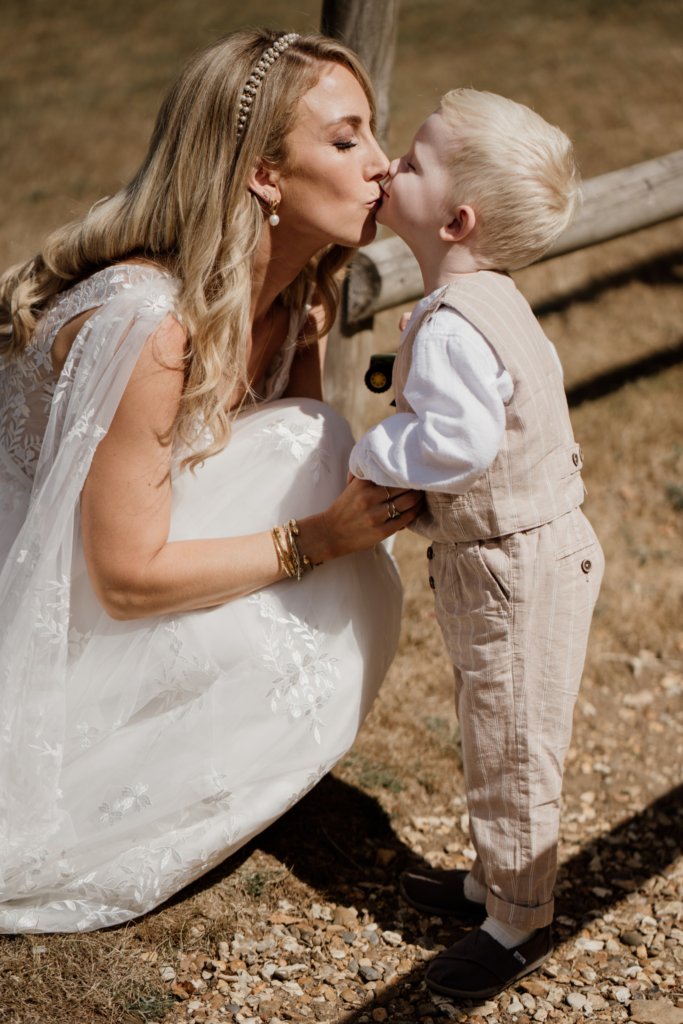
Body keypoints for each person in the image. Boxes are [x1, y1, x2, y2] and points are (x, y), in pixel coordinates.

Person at [0, 30, 423, 934]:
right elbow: (121, 576)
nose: (383, 167)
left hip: (126, 575)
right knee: (321, 464)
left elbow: (302, 473)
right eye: (346, 141)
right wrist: (318, 540)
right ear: (264, 174)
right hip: (47, 601)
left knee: (320, 445)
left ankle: (211, 750)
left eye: (374, 138)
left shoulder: (293, 300)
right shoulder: (150, 325)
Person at [348, 89, 604, 998]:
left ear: (455, 218)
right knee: (492, 726)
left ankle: (518, 924)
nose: (388, 167)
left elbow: (455, 445)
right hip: (515, 557)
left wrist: (374, 446)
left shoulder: (456, 322)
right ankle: (495, 880)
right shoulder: (484, 298)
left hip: (514, 566)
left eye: (410, 162)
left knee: (511, 744)